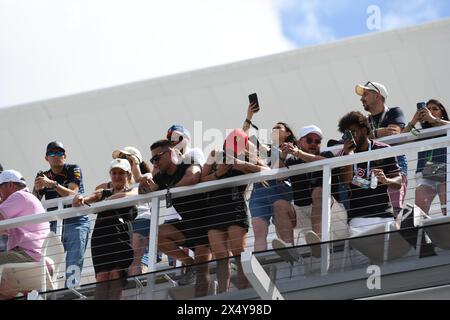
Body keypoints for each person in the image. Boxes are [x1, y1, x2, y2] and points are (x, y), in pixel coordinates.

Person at [139, 140, 211, 297]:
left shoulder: (187, 162)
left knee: (203, 270)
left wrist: (170, 190)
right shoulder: (163, 176)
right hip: (187, 224)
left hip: (205, 223)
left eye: (156, 158)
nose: (154, 163)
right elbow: (146, 191)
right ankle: (189, 263)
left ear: (170, 153)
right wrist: (143, 183)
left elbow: (193, 177)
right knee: (157, 234)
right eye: (152, 160)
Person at [201, 129, 269, 293]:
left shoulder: (247, 159)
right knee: (220, 255)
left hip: (235, 206)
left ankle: (244, 291)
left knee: (238, 252)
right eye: (231, 144)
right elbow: (200, 181)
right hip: (214, 208)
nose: (232, 148)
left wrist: (243, 165)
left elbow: (268, 172)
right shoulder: (215, 154)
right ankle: (224, 294)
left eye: (238, 144)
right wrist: (219, 173)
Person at [338, 111, 402, 265]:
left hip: (383, 216)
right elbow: (346, 182)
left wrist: (386, 179)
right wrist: (348, 155)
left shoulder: (383, 148)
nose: (351, 137)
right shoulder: (344, 154)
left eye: (353, 132)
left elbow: (399, 181)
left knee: (390, 262)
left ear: (365, 129)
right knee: (361, 267)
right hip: (358, 218)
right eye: (347, 134)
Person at [272, 125, 341, 259]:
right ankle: (289, 250)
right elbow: (278, 176)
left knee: (318, 192)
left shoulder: (325, 154)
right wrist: (283, 155)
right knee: (279, 205)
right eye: (309, 140)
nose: (314, 144)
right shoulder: (292, 161)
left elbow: (325, 162)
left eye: (317, 141)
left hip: (331, 210)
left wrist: (299, 153)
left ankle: (319, 243)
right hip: (302, 210)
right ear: (299, 142)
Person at [73, 159, 137, 300]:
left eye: (121, 173)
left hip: (120, 236)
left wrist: (107, 201)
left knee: (116, 274)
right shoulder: (103, 192)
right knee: (102, 277)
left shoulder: (133, 189)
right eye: (114, 173)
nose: (117, 176)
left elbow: (127, 196)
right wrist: (82, 199)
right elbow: (93, 196)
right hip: (101, 236)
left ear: (127, 175)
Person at [32, 141, 90, 287]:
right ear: (46, 158)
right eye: (52, 153)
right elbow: (34, 202)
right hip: (54, 223)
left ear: (65, 155)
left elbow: (72, 194)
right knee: (48, 260)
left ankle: (71, 290)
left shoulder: (73, 169)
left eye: (60, 153)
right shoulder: (43, 175)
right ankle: (47, 291)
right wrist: (37, 189)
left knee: (74, 259)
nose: (57, 156)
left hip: (76, 221)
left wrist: (52, 184)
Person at [242, 103, 295, 252]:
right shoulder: (265, 148)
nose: (274, 129)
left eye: (278, 128)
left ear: (288, 134)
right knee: (259, 232)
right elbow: (241, 139)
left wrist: (282, 155)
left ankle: (288, 255)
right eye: (273, 128)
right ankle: (262, 261)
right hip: (260, 193)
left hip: (280, 191)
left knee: (282, 227)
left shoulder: (292, 150)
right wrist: (249, 117)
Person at [356, 81, 408, 217]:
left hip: (394, 168)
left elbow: (394, 132)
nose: (361, 98)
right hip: (371, 171)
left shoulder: (394, 111)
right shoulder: (365, 120)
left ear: (377, 95)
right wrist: (378, 132)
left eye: (365, 94)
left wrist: (368, 134)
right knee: (373, 209)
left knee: (394, 208)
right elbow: (356, 138)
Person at [0, 170, 50, 299]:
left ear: (10, 185)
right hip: (37, 257)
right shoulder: (27, 197)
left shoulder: (19, 196)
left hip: (28, 256)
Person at [402, 99, 450, 216]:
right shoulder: (420, 131)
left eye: (435, 109)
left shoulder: (446, 127)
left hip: (445, 169)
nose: (431, 111)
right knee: (419, 209)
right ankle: (419, 233)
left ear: (442, 113)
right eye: (428, 109)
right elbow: (402, 139)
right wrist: (414, 121)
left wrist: (434, 120)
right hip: (425, 170)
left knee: (446, 208)